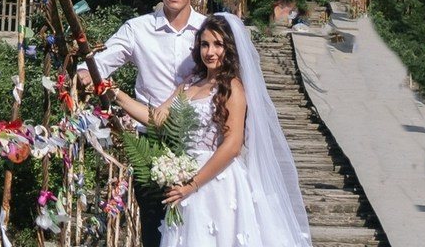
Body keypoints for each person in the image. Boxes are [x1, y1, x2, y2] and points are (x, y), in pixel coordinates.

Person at [112, 13, 312, 247]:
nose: (210, 51)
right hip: (183, 178)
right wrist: (116, 93)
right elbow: (157, 119)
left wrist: (193, 184)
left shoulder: (232, 88)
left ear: (229, 48)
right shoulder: (189, 83)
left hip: (216, 182)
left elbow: (232, 145)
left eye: (218, 44)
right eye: (205, 44)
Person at [85, 0, 206, 247]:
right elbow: (98, 65)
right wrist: (83, 74)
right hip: (150, 144)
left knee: (200, 229)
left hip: (199, 143)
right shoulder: (137, 30)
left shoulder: (209, 30)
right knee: (155, 231)